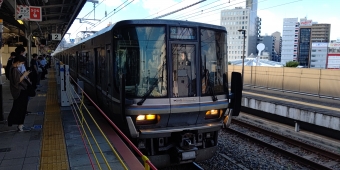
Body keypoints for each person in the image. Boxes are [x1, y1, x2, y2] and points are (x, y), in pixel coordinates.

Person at [7, 55, 31, 132]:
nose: (22, 64)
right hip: (19, 91)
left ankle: (19, 124)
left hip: (18, 91)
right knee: (21, 109)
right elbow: (17, 81)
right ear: (18, 62)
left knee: (19, 108)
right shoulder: (14, 70)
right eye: (21, 63)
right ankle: (20, 125)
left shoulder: (12, 68)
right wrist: (24, 75)